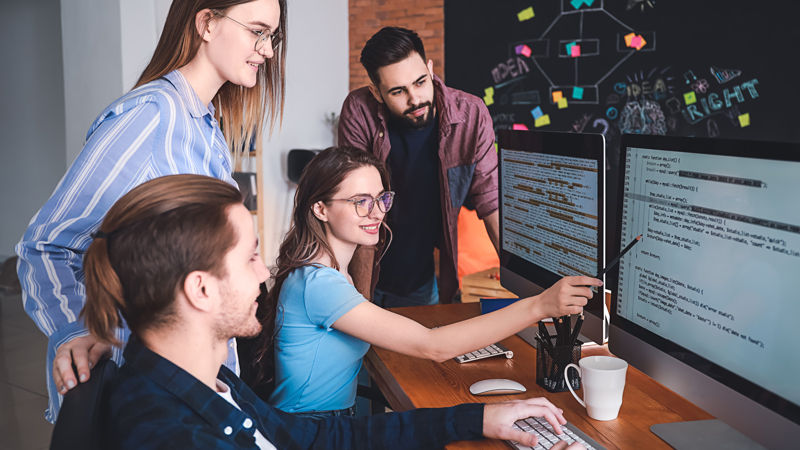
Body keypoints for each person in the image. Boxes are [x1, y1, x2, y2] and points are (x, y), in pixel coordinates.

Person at [80, 174, 584, 450]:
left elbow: (314, 436)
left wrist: (476, 420)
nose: (264, 275)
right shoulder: (171, 434)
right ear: (201, 291)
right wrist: (540, 305)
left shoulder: (212, 385)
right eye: (251, 257)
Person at [15, 0, 287, 422]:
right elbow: (46, 244)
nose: (268, 51)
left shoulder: (205, 126)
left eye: (272, 36)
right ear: (207, 23)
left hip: (193, 392)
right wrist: (76, 328)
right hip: (142, 400)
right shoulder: (151, 118)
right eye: (257, 31)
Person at [261, 147, 601, 420]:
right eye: (360, 202)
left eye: (381, 198)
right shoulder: (319, 283)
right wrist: (541, 304)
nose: (377, 212)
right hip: (307, 431)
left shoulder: (329, 271)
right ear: (320, 208)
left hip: (327, 419)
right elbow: (432, 346)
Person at [338, 26, 499, 308]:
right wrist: (360, 306)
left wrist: (533, 293)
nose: (415, 99)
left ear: (430, 68)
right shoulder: (359, 111)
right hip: (357, 277)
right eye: (398, 91)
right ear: (377, 93)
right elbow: (359, 208)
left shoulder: (472, 116)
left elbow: (492, 202)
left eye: (421, 82)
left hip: (420, 284)